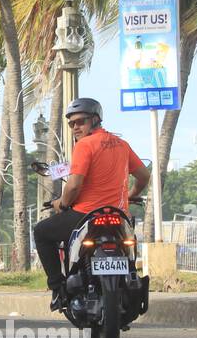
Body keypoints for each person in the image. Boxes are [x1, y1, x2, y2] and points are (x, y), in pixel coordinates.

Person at [32, 97, 150, 311]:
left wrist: (62, 203)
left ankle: (58, 288)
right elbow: (143, 176)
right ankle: (131, 278)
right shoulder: (122, 144)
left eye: (81, 121)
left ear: (95, 119)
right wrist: (130, 195)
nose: (75, 127)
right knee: (129, 249)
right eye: (72, 124)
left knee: (41, 232)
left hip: (85, 214)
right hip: (119, 215)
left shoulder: (84, 145)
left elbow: (74, 185)